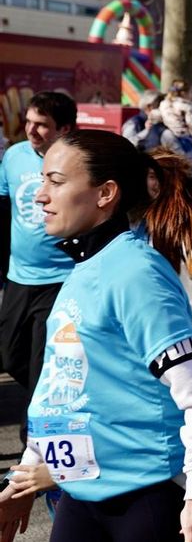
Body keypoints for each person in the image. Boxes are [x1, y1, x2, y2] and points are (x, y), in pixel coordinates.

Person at [0, 129, 192, 542]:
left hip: (146, 499)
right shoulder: (85, 269)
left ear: (105, 193)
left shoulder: (137, 273)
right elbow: (58, 391)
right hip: (81, 492)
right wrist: (22, 482)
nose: (40, 195)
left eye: (55, 181)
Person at [0, 92, 77, 405]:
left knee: (41, 361)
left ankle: (34, 438)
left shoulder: (78, 163)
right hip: (19, 277)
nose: (31, 130)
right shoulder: (14, 155)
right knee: (9, 355)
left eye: (42, 125)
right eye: (29, 122)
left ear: (64, 130)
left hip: (61, 279)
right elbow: (5, 206)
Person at [160, 79, 192, 161]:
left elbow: (157, 116)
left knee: (172, 161)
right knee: (187, 163)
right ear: (184, 93)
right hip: (184, 138)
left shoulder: (164, 104)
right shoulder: (187, 106)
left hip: (167, 136)